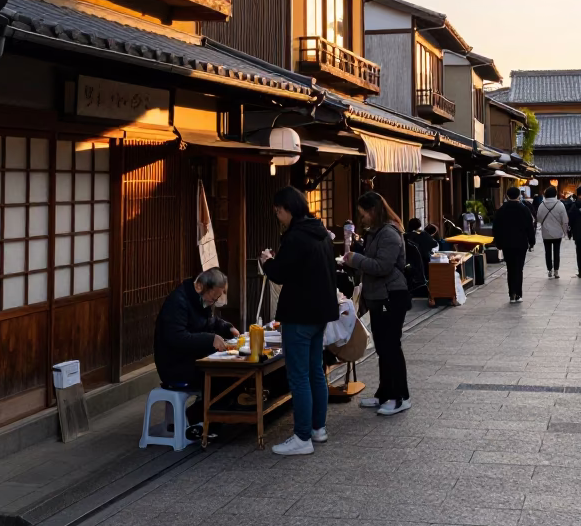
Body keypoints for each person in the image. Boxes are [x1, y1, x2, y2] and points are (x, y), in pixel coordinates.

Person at [258, 186, 339, 455]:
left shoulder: (295, 237)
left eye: (278, 211)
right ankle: (318, 429)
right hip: (321, 313)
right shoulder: (321, 233)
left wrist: (267, 261)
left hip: (299, 314)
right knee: (316, 371)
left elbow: (279, 274)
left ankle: (302, 437)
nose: (277, 216)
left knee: (299, 375)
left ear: (288, 209)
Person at [345, 191, 412, 416]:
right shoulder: (374, 232)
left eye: (363, 214)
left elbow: (383, 266)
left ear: (373, 211)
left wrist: (356, 259)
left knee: (391, 346)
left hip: (391, 295)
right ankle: (384, 394)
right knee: (383, 347)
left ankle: (399, 397)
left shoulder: (389, 233)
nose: (361, 218)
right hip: (378, 295)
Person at [153, 268, 239, 441]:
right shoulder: (178, 301)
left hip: (195, 358)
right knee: (222, 376)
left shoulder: (202, 301)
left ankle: (203, 421)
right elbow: (176, 337)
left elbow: (212, 322)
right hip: (175, 363)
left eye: (216, 299)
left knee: (233, 374)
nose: (213, 302)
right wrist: (210, 339)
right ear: (200, 286)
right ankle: (197, 420)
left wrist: (228, 328)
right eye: (212, 298)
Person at [491, 187, 536, 303]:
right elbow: (530, 227)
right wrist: (532, 241)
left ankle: (511, 293)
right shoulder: (524, 209)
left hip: (506, 243)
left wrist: (498, 242)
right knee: (519, 268)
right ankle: (518, 294)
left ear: (507, 195)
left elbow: (496, 228)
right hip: (521, 243)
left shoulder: (501, 210)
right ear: (519, 195)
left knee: (510, 268)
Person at [537, 186, 570, 278]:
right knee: (556, 252)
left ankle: (549, 270)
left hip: (546, 233)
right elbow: (564, 220)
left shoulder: (541, 205)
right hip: (557, 232)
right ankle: (556, 271)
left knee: (547, 252)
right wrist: (565, 232)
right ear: (555, 194)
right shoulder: (560, 205)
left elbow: (539, 219)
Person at [404, 218, 433, 296]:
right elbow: (434, 244)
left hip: (408, 266)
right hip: (424, 265)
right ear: (419, 226)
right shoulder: (423, 234)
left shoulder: (405, 236)